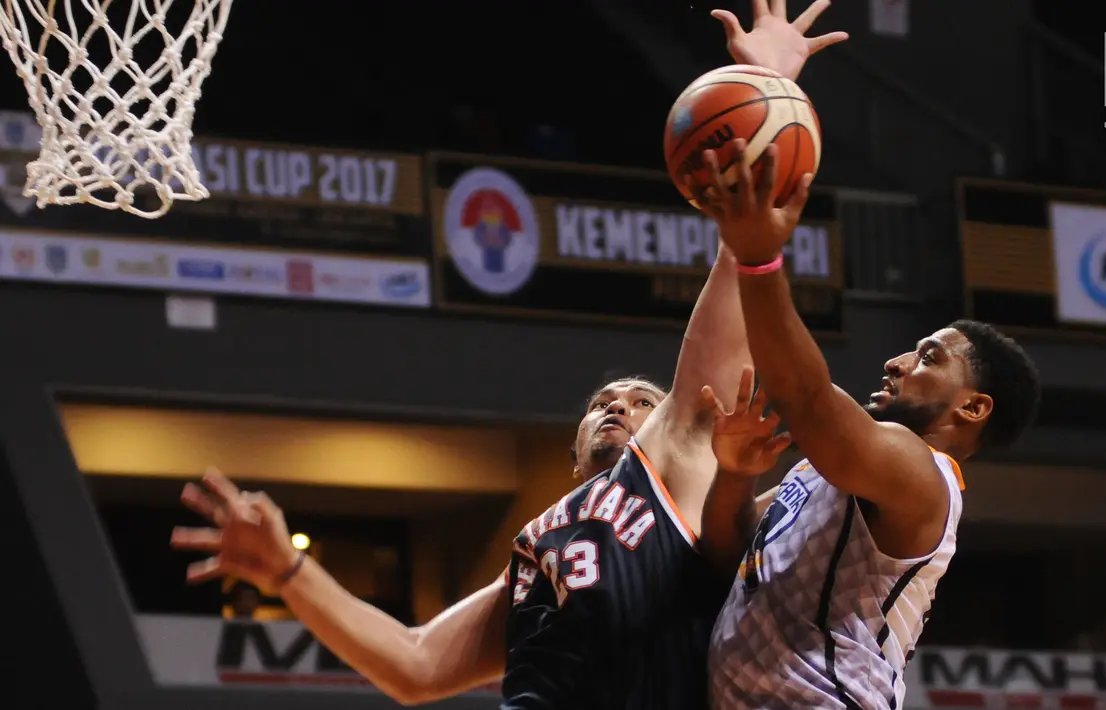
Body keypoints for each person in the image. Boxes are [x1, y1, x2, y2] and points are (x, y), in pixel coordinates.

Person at [169, 8, 849, 709]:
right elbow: (416, 664)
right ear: (571, 450)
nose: (618, 404)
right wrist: (287, 571)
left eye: (641, 401)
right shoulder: (538, 544)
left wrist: (764, 86)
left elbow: (730, 287)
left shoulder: (674, 458)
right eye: (602, 404)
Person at [693, 142, 1041, 710]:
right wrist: (732, 474)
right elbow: (724, 554)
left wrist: (758, 258)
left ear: (973, 408)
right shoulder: (826, 474)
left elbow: (805, 397)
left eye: (929, 358)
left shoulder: (923, 474)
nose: (896, 362)